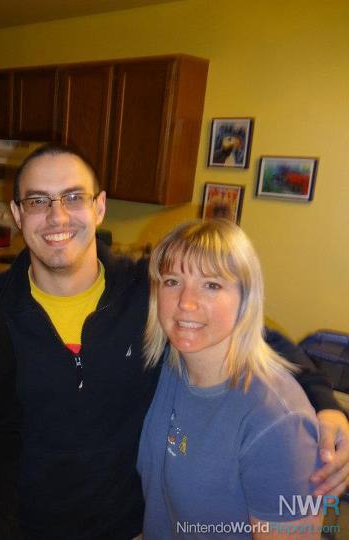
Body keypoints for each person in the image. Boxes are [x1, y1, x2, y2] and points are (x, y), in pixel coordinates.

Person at [0, 143, 349, 539]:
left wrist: (326, 405)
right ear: (17, 213)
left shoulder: (150, 292)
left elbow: (255, 334)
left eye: (73, 197)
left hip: (127, 526)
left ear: (99, 207)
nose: (57, 216)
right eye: (38, 201)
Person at [138, 219, 323, 538]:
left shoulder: (278, 423)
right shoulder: (166, 370)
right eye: (172, 281)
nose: (185, 301)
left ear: (245, 299)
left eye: (211, 285)